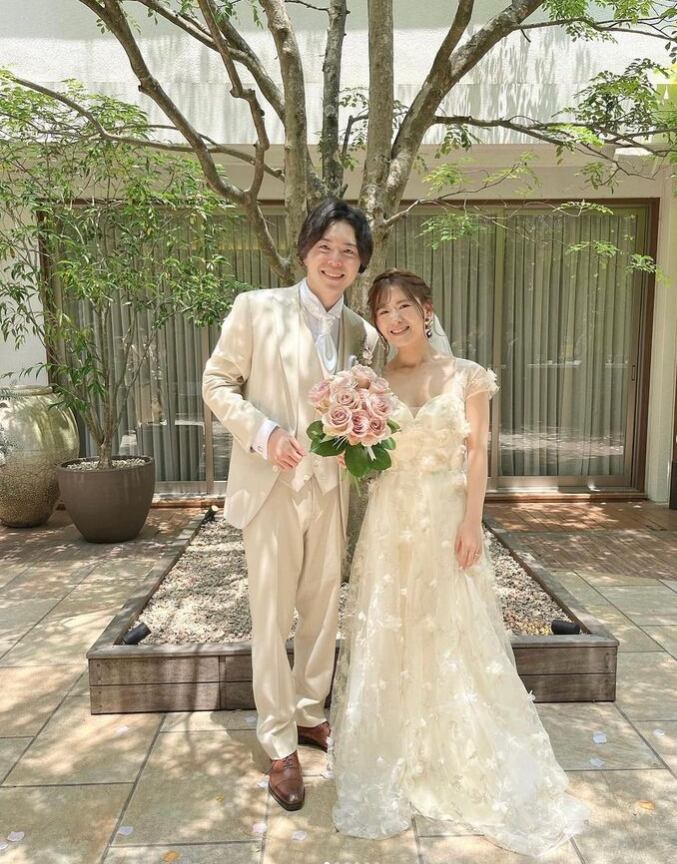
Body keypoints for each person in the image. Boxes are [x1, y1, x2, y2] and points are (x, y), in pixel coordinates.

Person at [330, 268, 589, 856]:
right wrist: (351, 451)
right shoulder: (371, 382)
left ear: (427, 309)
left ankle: (457, 748)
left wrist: (473, 522)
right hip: (391, 520)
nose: (394, 320)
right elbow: (368, 456)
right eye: (383, 311)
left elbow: (477, 455)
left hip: (447, 518)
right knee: (392, 629)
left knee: (452, 627)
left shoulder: (467, 375)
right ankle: (399, 746)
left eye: (403, 307)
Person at [202, 199, 380, 812]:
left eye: (348, 251)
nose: (336, 260)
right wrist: (265, 433)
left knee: (323, 609)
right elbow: (216, 382)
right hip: (272, 486)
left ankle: (309, 712)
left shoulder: (361, 334)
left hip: (332, 489)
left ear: (360, 264)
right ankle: (279, 742)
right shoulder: (256, 308)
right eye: (325, 247)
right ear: (305, 251)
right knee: (273, 615)